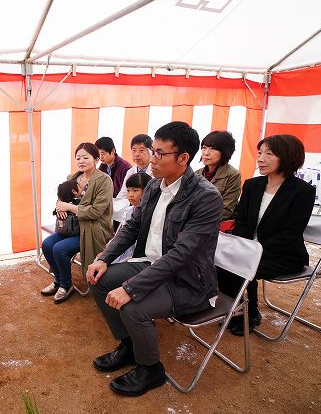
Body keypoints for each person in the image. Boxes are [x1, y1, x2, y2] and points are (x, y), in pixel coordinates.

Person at [86, 122, 222, 397]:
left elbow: (181, 255)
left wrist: (131, 288)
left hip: (187, 281)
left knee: (133, 307)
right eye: (153, 151)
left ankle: (151, 369)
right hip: (151, 265)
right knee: (98, 279)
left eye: (160, 153)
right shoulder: (154, 187)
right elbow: (132, 227)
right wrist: (105, 257)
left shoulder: (206, 197)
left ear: (183, 158)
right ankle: (129, 345)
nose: (152, 158)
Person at [217, 134, 315, 336]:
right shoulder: (253, 185)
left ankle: (250, 312)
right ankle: (235, 308)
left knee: (239, 266)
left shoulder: (302, 191)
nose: (260, 158)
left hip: (284, 255)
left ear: (287, 157)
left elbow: (291, 233)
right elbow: (241, 220)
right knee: (220, 261)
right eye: (260, 153)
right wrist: (245, 246)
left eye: (269, 154)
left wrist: (254, 251)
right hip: (251, 249)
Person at [41, 142, 113, 304]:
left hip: (91, 228)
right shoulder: (73, 177)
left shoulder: (104, 180)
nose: (81, 161)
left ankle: (66, 286)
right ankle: (59, 280)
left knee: (59, 249)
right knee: (46, 244)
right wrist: (59, 205)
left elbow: (96, 211)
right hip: (70, 227)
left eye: (85, 157)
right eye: (78, 158)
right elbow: (62, 196)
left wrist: (69, 207)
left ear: (96, 159)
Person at [195, 131, 241, 221]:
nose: (206, 153)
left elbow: (226, 210)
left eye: (212, 148)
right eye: (204, 148)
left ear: (224, 152)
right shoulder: (196, 174)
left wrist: (199, 220)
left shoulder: (233, 175)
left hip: (215, 225)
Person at [111, 172, 151, 264]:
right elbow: (120, 234)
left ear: (147, 191)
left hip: (141, 256)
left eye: (135, 190)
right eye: (128, 190)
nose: (130, 195)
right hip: (125, 251)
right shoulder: (128, 211)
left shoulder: (151, 212)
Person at [113, 134, 153, 223]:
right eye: (134, 150)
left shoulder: (156, 171)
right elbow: (122, 195)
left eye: (141, 150)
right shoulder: (130, 171)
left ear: (150, 152)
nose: (137, 154)